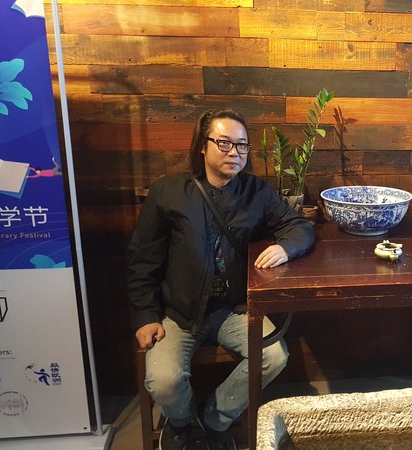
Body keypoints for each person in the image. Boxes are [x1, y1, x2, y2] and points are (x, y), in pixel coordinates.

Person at [127, 109, 314, 450]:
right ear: (202, 146)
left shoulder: (255, 192)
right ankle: (181, 422)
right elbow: (142, 259)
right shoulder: (168, 192)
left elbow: (298, 226)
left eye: (242, 145)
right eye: (224, 143)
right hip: (179, 313)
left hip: (233, 309)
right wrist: (145, 315)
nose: (234, 152)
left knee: (274, 356)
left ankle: (215, 417)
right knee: (164, 381)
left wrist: (286, 247)